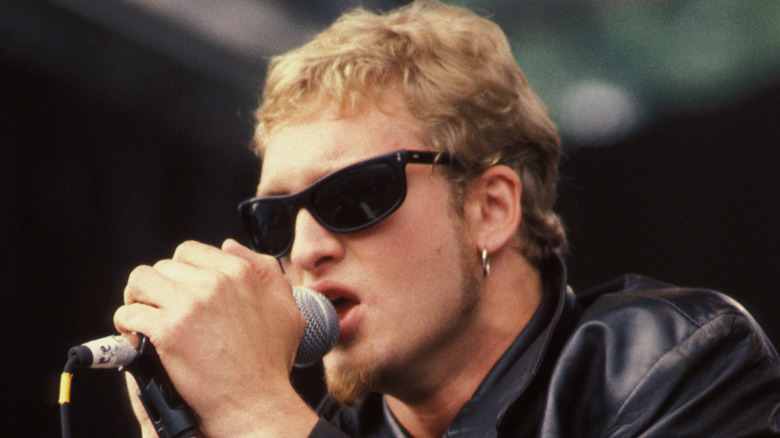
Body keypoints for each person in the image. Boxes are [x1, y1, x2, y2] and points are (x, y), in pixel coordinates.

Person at [113, 1, 780, 436]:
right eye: (277, 219)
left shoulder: (670, 366)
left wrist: (257, 413)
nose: (308, 248)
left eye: (351, 198)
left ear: (490, 209)